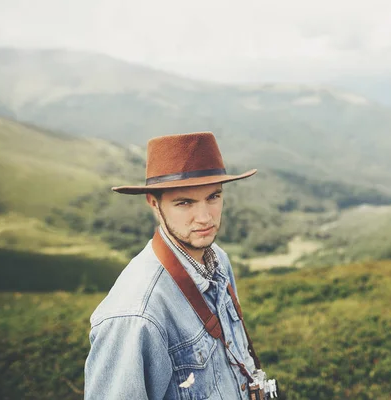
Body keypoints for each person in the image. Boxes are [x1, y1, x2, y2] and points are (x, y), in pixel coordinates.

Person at [84, 132, 269, 399]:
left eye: (213, 197)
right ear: (154, 204)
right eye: (185, 203)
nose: (205, 217)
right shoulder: (136, 315)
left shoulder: (218, 259)